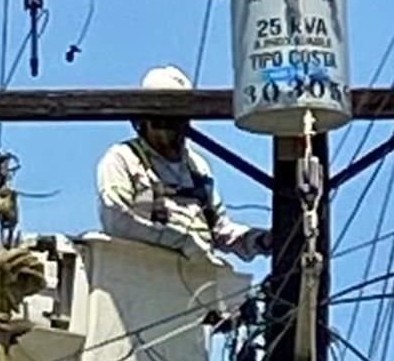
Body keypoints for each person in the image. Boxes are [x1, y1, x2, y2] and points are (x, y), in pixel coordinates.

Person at [96, 65, 271, 264]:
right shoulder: (123, 159)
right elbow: (117, 221)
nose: (168, 131)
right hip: (142, 276)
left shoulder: (197, 167)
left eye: (176, 120)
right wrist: (181, 242)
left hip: (196, 277)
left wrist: (261, 241)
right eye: (159, 121)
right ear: (142, 121)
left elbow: (219, 230)